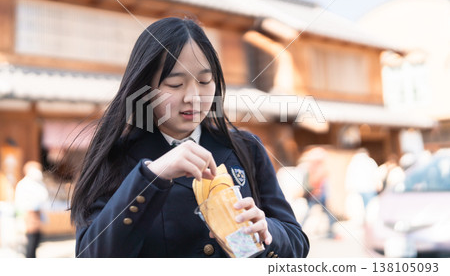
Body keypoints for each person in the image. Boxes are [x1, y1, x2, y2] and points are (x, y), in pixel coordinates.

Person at [70, 17, 309, 258]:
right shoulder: (116, 157)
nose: (193, 96)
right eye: (175, 84)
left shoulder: (246, 149)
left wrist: (268, 230)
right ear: (144, 89)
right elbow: (90, 256)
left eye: (205, 81)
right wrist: (153, 176)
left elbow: (297, 242)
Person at [15, 161, 49, 258]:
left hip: (37, 215)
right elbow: (20, 202)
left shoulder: (39, 184)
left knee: (36, 240)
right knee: (30, 241)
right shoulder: (23, 184)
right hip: (28, 215)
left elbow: (44, 197)